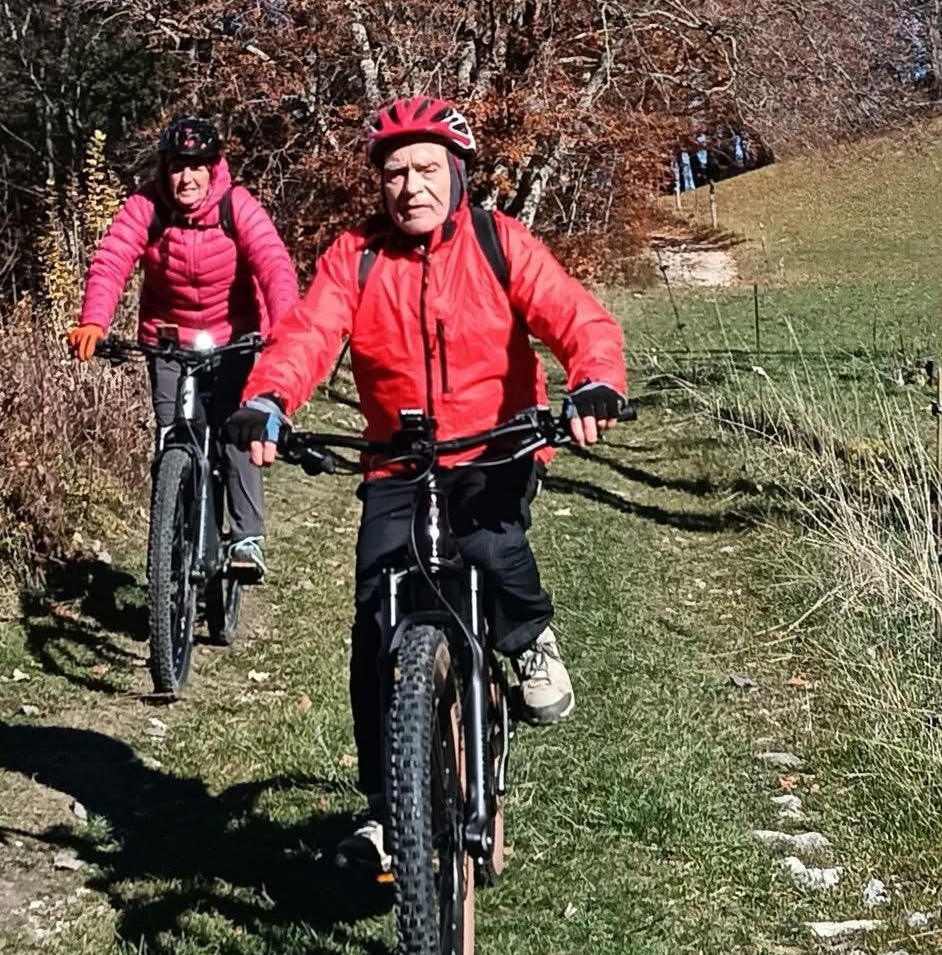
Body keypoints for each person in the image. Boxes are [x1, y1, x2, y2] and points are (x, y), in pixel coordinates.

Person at [222, 95, 627, 868]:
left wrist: (595, 382)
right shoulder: (357, 256)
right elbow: (308, 333)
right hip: (400, 460)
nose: (411, 186)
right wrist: (269, 399)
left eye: (427, 170)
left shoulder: (499, 242)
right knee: (376, 617)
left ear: (458, 176)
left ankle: (527, 638)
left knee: (491, 545)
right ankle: (388, 806)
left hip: (495, 447)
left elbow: (577, 317)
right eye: (396, 173)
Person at [68, 116, 299, 580]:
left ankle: (247, 539)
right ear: (164, 169)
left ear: (213, 169)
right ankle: (172, 525)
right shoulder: (146, 206)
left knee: (236, 430)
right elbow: (112, 260)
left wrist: (285, 331)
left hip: (234, 339)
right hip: (168, 339)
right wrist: (94, 321)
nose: (186, 178)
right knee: (171, 434)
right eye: (177, 167)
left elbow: (274, 265)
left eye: (196, 167)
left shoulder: (237, 205)